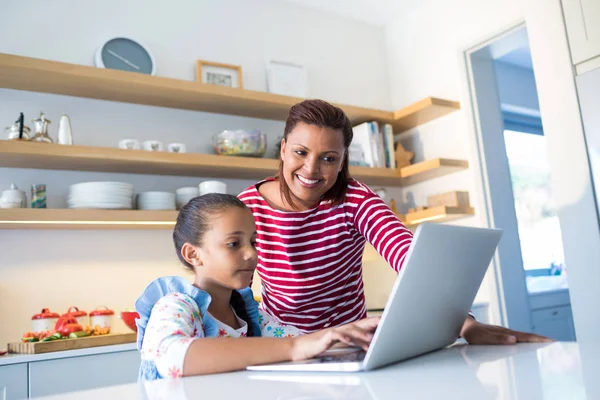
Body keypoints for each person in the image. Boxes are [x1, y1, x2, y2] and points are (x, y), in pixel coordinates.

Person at [238, 99, 551, 345]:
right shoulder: (246, 208)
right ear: (282, 149)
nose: (311, 168)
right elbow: (234, 292)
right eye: (300, 152)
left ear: (343, 160)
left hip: (352, 344)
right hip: (285, 346)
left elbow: (410, 258)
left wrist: (464, 323)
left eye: (328, 158)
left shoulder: (355, 200)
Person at [135, 193, 380, 380]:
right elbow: (172, 356)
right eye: (234, 244)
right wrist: (293, 348)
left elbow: (303, 341)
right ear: (193, 255)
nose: (251, 254)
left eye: (253, 242)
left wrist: (353, 332)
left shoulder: (248, 314)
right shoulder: (174, 306)